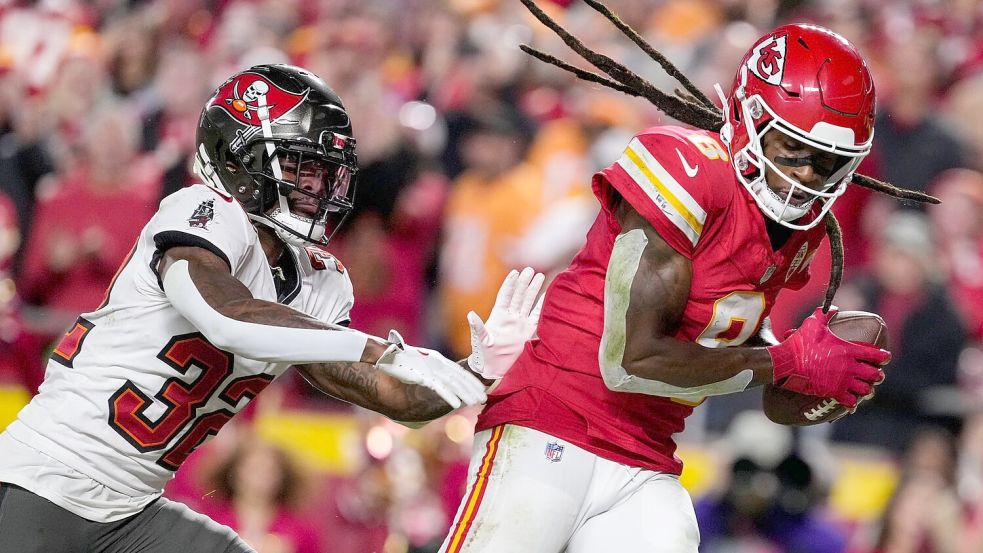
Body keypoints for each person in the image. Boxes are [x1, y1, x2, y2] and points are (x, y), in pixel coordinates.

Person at [438, 2, 937, 552]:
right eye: (792, 150)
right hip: (553, 421)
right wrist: (784, 362)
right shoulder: (687, 171)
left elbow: (729, 342)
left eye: (826, 164)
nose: (803, 178)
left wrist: (807, 369)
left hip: (647, 457)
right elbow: (631, 361)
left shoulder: (799, 234)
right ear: (748, 117)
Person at [0, 64, 543, 553]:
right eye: (301, 166)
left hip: (130, 507)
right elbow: (228, 317)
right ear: (241, 158)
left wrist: (474, 372)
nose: (318, 185)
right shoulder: (203, 212)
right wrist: (377, 347)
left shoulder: (319, 281)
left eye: (326, 171)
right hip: (44, 482)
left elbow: (387, 393)